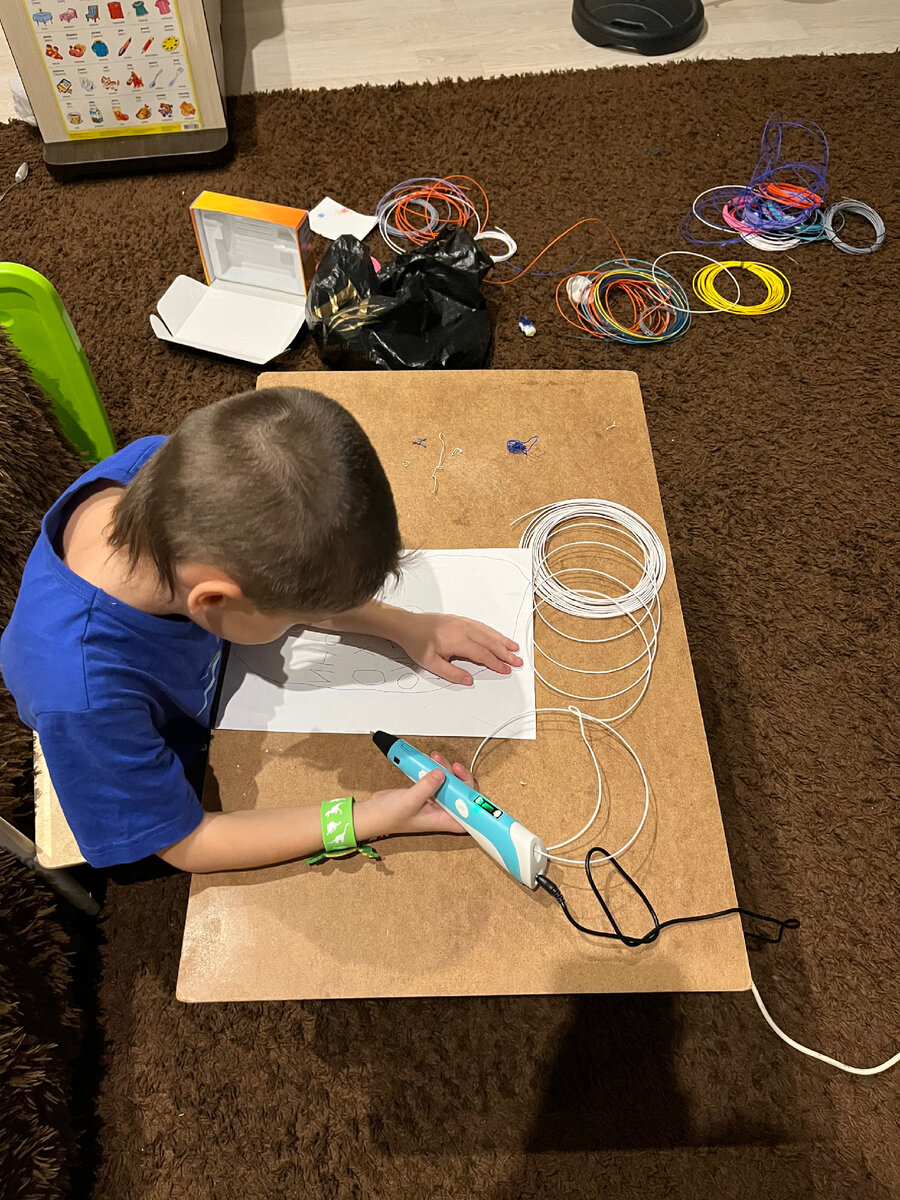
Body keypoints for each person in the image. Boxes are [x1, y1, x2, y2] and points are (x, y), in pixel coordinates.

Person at [0, 387, 520, 873]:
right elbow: (184, 843)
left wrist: (402, 624)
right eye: (292, 616)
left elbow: (286, 575)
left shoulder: (171, 468)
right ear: (213, 600)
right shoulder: (85, 699)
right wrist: (365, 817)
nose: (301, 623)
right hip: (138, 748)